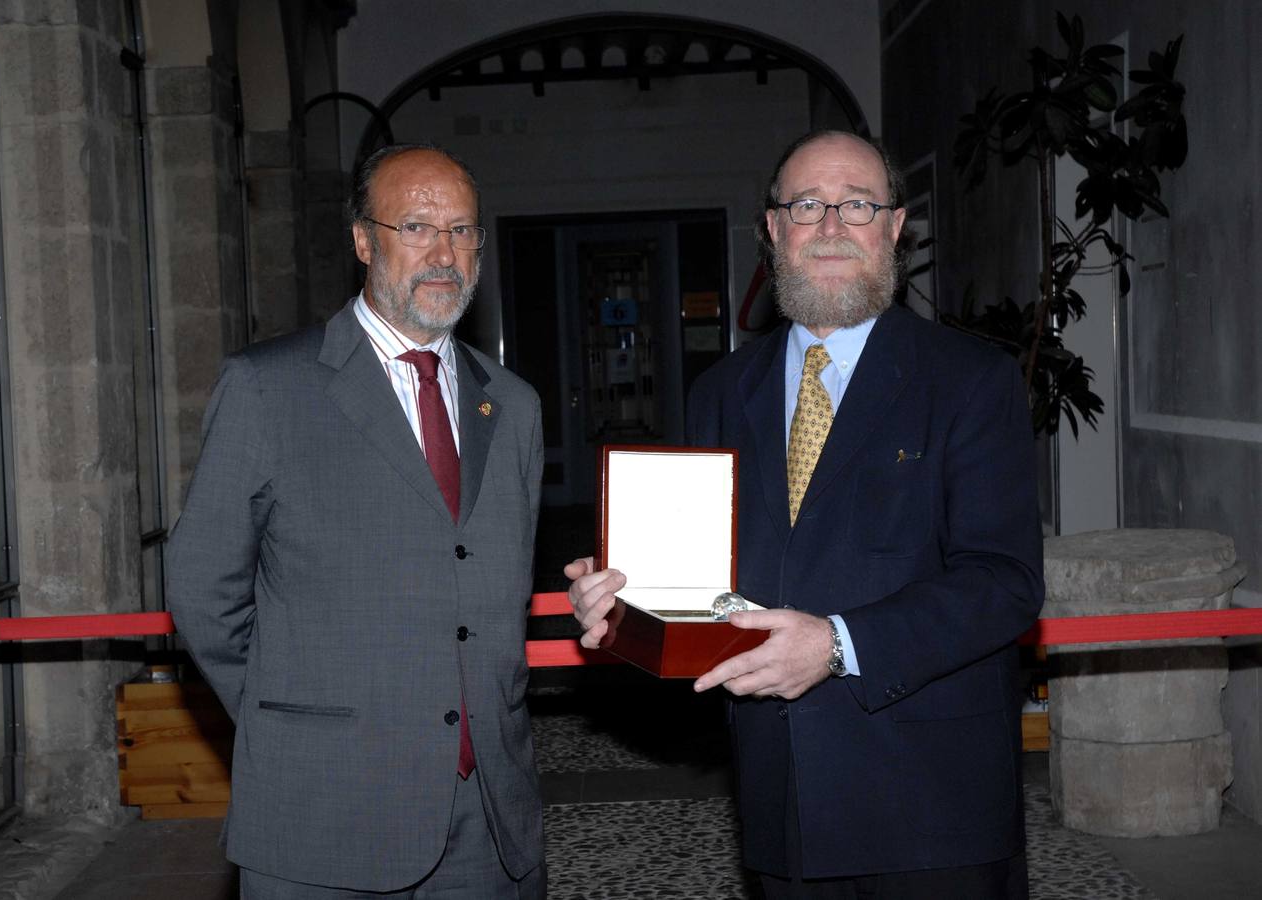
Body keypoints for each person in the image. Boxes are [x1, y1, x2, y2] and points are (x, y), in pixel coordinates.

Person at [566, 130, 1044, 899]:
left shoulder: (969, 382)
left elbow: (1005, 582)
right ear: (771, 229)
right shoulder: (721, 391)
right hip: (777, 795)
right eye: (805, 205)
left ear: (893, 228)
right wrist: (624, 604)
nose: (829, 227)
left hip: (930, 806)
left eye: (856, 205)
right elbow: (710, 583)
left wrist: (838, 644)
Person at [168, 143, 546, 898]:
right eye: (416, 227)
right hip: (324, 807)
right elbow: (203, 592)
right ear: (364, 241)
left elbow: (485, 580)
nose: (444, 252)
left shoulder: (512, 405)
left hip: (485, 817)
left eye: (463, 231)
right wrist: (296, 720)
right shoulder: (267, 389)